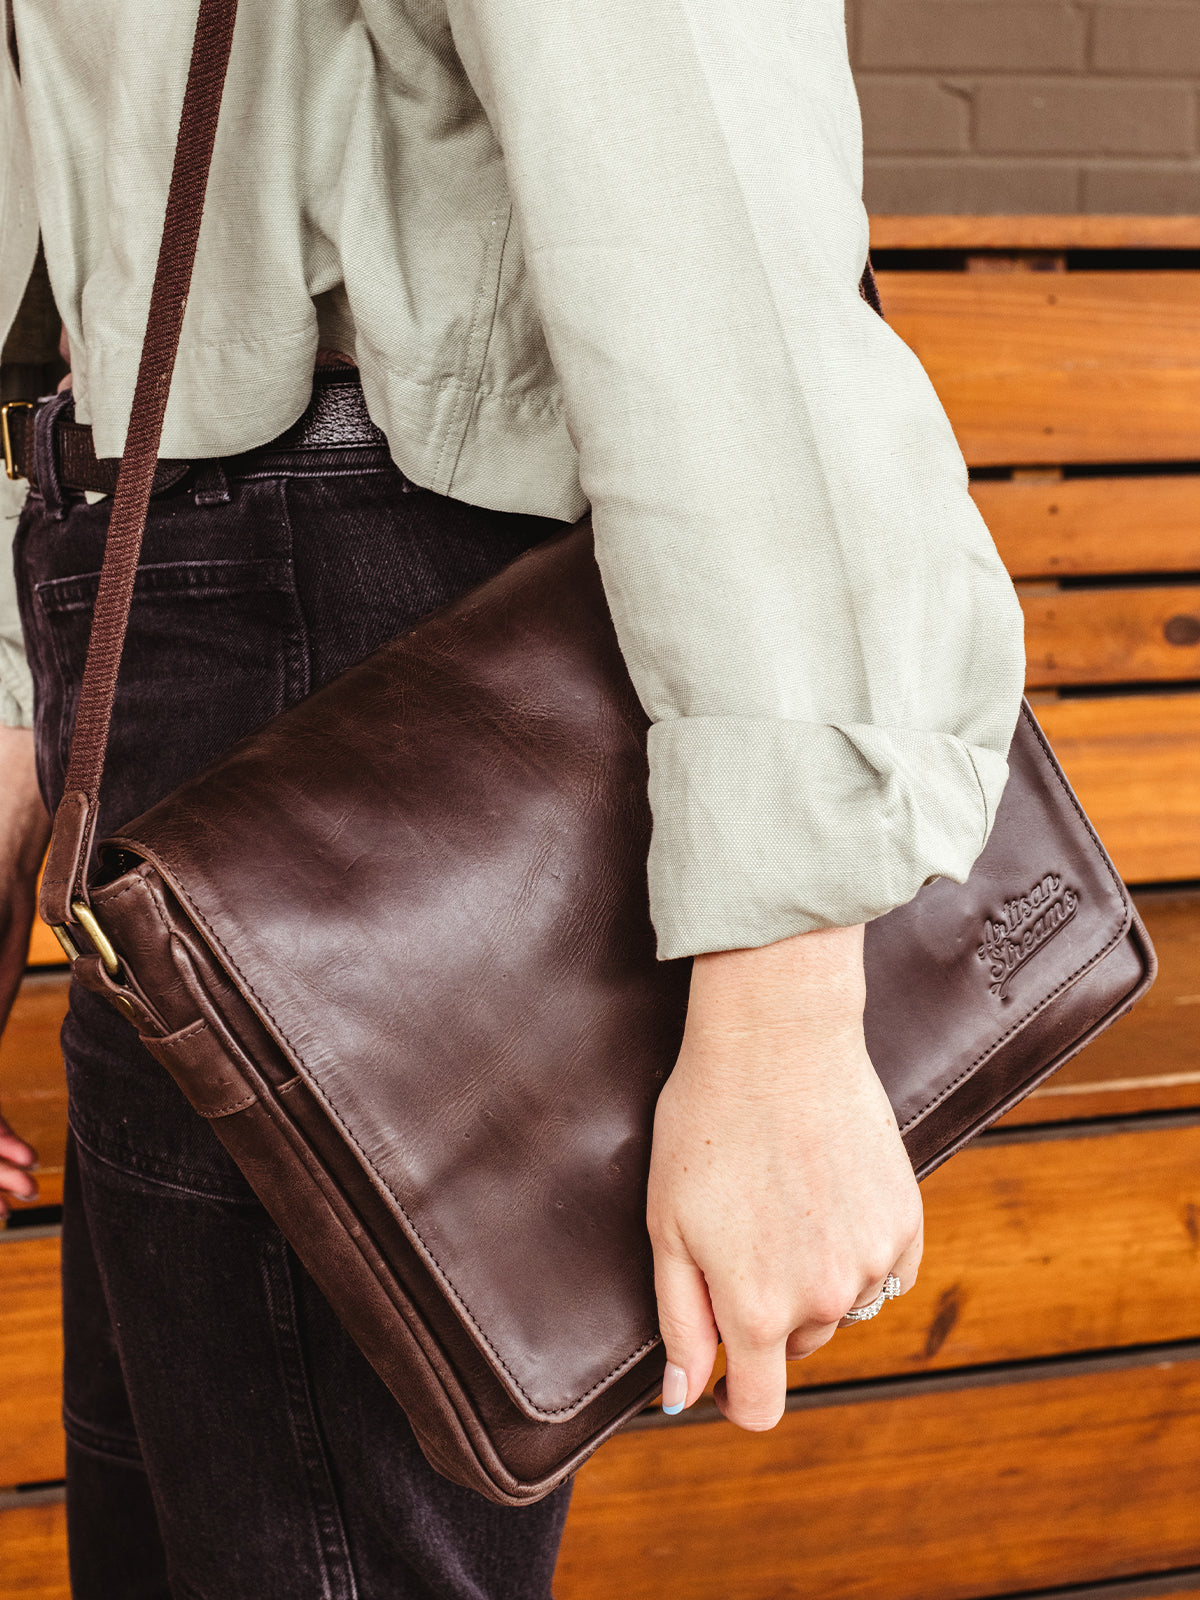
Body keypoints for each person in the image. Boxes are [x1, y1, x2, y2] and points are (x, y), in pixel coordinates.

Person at [0, 2, 1025, 1595]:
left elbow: (711, 223)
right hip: (176, 612)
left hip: (381, 616)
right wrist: (27, 733)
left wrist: (785, 997)